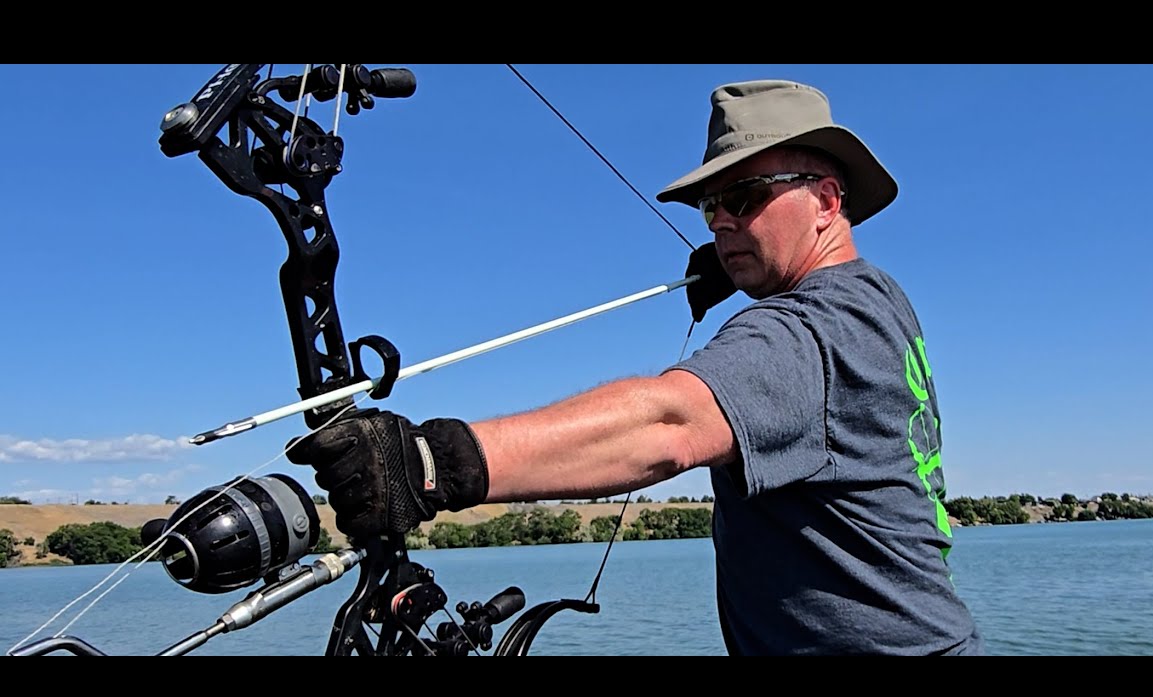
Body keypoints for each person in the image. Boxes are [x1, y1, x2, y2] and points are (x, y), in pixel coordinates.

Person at [286, 78, 984, 656]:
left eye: (743, 199)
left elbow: (670, 424)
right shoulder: (879, 300)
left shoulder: (810, 329)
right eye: (712, 206)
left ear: (828, 200)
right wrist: (754, 257)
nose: (718, 224)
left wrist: (429, 463)